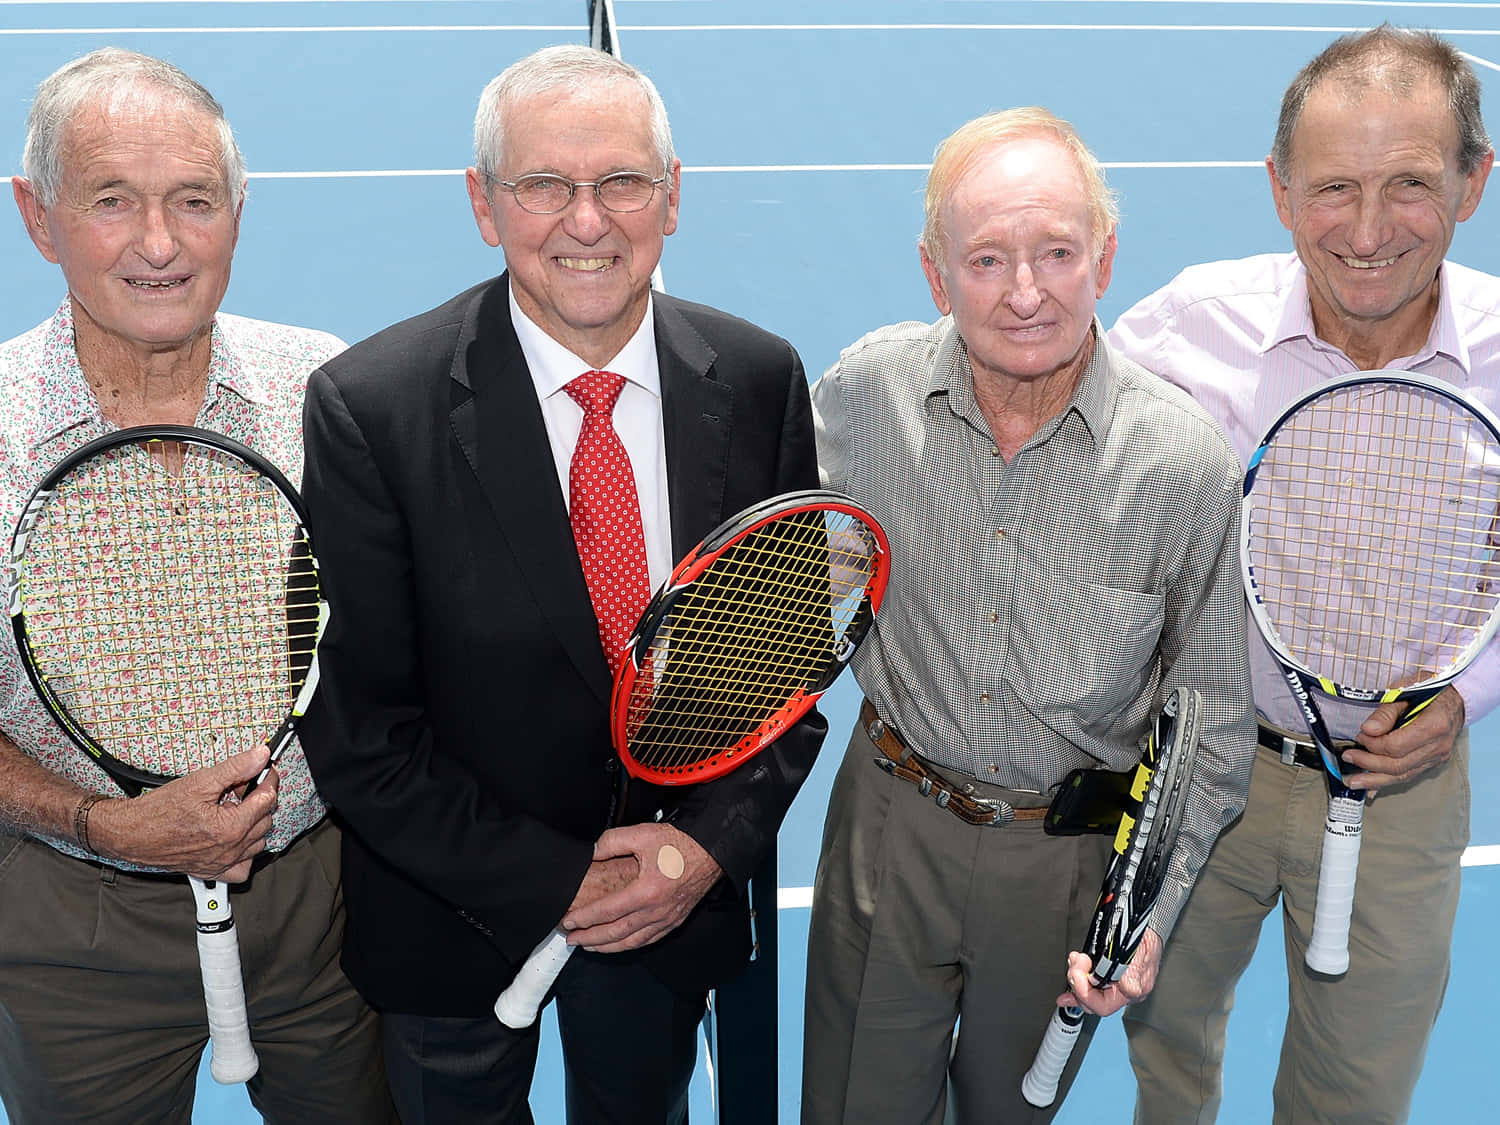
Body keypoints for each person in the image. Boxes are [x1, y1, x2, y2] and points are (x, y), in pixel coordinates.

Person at [296, 44, 825, 1124]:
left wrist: (699, 852)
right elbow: (360, 731)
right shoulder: (370, 408)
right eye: (543, 185)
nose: (587, 220)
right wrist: (554, 883)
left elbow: (786, 686)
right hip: (454, 923)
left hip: (668, 912)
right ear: (484, 206)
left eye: (621, 181)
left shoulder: (761, 379)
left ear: (672, 199)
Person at [799, 107, 1256, 1125]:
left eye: (1056, 251)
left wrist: (1146, 906)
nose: (1024, 292)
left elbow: (1215, 719)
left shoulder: (1183, 468)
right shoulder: (868, 395)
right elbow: (798, 595)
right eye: (987, 258)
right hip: (888, 829)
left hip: (1063, 866)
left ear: (1105, 257)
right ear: (934, 275)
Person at [1107, 25, 1498, 1125]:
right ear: (1279, 191)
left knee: (1356, 1094)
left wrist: (1465, 696)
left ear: (1475, 182)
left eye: (1411, 183)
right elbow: (1066, 459)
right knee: (1165, 1052)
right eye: (1333, 187)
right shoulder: (1185, 330)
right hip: (1203, 772)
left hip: (1403, 793)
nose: (1368, 232)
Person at [0, 48, 394, 1124]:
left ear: (238, 210)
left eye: (193, 201)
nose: (161, 244)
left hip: (325, 911)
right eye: (113, 202)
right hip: (73, 936)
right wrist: (99, 822)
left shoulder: (331, 390)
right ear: (39, 218)